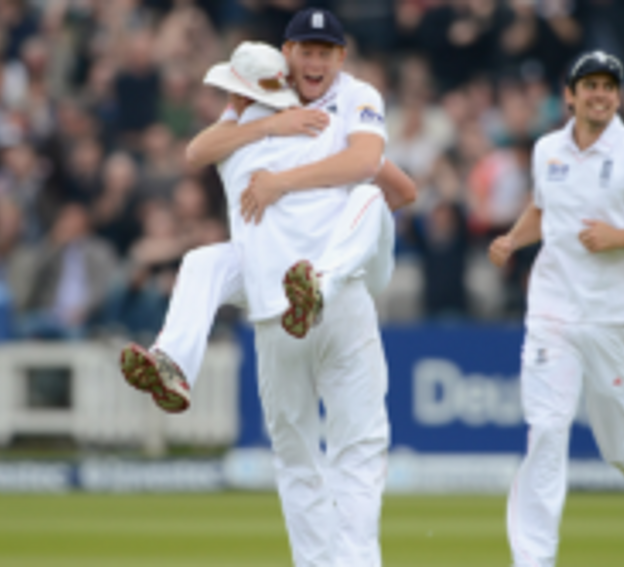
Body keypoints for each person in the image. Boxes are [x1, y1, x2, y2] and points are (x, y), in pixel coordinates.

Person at [141, 41, 392, 566]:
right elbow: (397, 183)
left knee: (200, 264)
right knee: (359, 452)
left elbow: (194, 152)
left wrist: (269, 156)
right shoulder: (321, 127)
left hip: (270, 305)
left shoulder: (231, 141)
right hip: (333, 293)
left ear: (240, 92)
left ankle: (175, 360)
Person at [119, 8, 415, 413]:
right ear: (288, 54)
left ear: (339, 58)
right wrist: (270, 127)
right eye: (306, 53)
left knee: (369, 199)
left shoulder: (350, 102)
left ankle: (322, 285)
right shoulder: (262, 106)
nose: (313, 63)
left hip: (360, 263)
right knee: (202, 262)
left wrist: (296, 190)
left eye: (323, 54)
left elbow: (397, 186)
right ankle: (173, 364)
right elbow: (195, 152)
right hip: (289, 263)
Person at [489, 50, 624, 566]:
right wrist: (513, 240)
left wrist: (621, 238)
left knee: (616, 444)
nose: (600, 94)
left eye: (609, 86)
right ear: (571, 94)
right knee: (546, 432)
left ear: (618, 96)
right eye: (590, 85)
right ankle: (533, 559)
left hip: (613, 315)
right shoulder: (546, 150)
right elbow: (545, 208)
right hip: (551, 312)